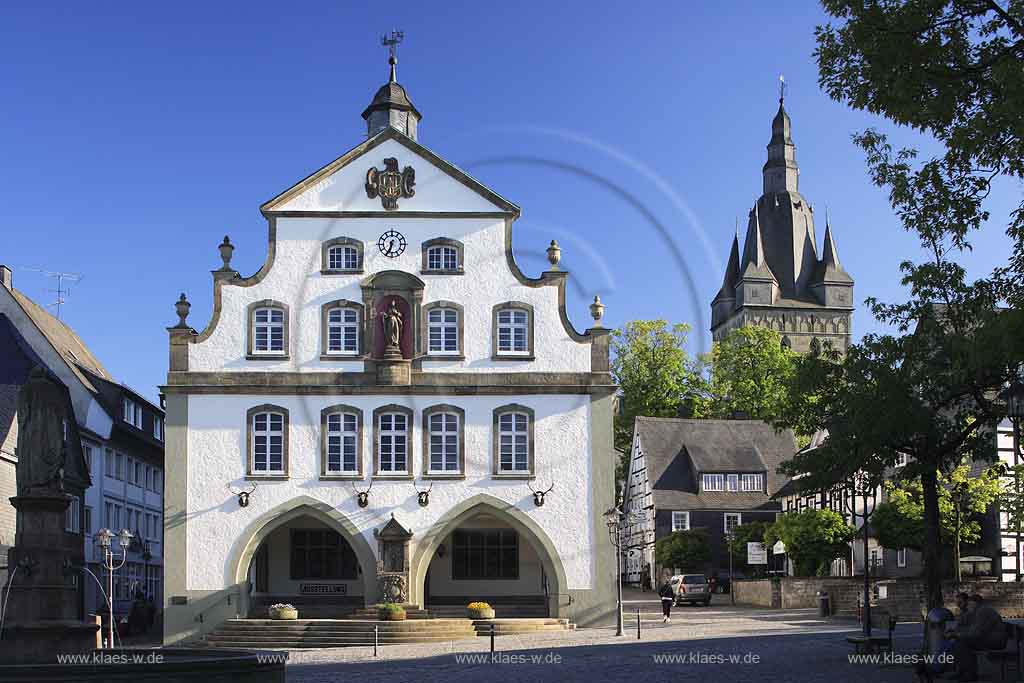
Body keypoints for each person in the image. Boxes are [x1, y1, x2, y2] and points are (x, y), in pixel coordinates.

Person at [951, 594, 1007, 681]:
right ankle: (963, 672)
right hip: (991, 639)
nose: (968, 607)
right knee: (961, 642)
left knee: (963, 643)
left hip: (995, 641)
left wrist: (957, 635)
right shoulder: (980, 611)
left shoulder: (982, 612)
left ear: (974, 604)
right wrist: (957, 634)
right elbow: (973, 630)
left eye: (969, 604)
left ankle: (970, 674)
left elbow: (975, 634)